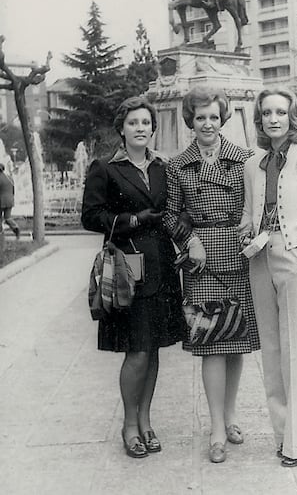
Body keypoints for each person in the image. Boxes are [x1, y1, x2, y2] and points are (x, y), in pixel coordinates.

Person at [81, 96, 187, 459]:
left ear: (153, 127)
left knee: (154, 349)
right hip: (128, 270)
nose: (140, 128)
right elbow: (90, 215)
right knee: (137, 351)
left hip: (162, 266)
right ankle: (129, 425)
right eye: (133, 123)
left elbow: (173, 211)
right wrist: (132, 220)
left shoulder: (162, 167)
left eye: (146, 122)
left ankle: (145, 420)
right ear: (121, 129)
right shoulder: (105, 168)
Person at [164, 86, 260, 464]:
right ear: (191, 121)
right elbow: (171, 214)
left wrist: (249, 230)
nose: (207, 123)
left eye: (213, 117)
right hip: (201, 262)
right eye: (200, 117)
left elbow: (255, 207)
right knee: (211, 343)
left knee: (235, 343)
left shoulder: (244, 159)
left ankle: (230, 415)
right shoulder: (177, 165)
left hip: (238, 256)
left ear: (223, 120)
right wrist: (190, 240)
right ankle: (216, 428)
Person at [239, 87, 297, 467]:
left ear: (292, 116)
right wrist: (245, 232)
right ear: (259, 119)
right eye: (266, 113)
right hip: (260, 259)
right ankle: (283, 437)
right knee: (274, 352)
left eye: (280, 112)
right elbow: (249, 211)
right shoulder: (253, 162)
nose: (273, 119)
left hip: (296, 258)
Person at [0, 163, 20, 238]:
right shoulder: (9, 177)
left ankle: (1, 234)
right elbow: (13, 190)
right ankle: (15, 228)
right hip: (10, 200)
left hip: (1, 201)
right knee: (8, 217)